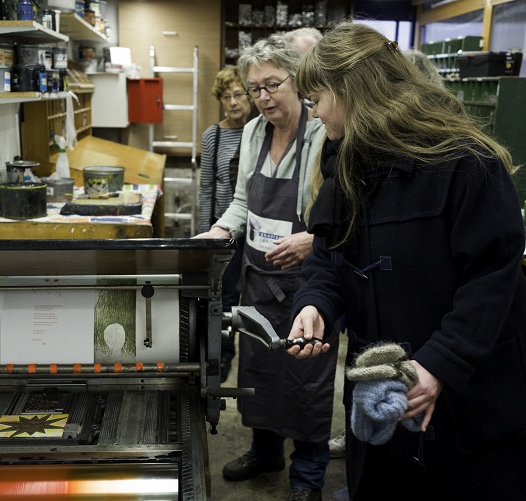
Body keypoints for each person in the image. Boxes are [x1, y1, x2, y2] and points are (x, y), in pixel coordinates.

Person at [286, 22, 526, 501]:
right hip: (385, 395)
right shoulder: (347, 162)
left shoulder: (466, 161)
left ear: (354, 90)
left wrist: (437, 365)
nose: (313, 115)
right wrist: (316, 304)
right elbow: (327, 257)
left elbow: (491, 280)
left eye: (316, 99)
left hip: (467, 396)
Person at [195, 34, 333, 501]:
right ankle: (265, 451)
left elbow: (347, 211)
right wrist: (218, 232)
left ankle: (308, 478)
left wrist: (314, 240)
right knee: (260, 373)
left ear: (298, 80)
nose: (262, 97)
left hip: (308, 283)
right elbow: (240, 203)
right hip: (258, 280)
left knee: (307, 380)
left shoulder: (325, 132)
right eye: (255, 89)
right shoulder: (254, 132)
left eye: (271, 85)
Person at [198, 66, 251, 382]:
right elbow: (205, 187)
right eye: (226, 96)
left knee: (256, 297)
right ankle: (223, 359)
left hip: (256, 232)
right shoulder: (213, 135)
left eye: (239, 94)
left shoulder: (261, 131)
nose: (233, 102)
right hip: (223, 231)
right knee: (223, 297)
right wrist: (207, 234)